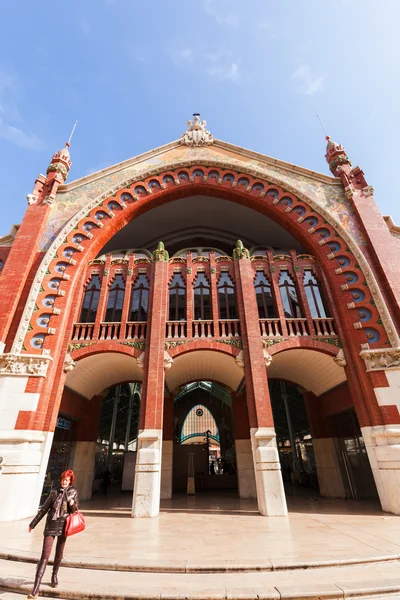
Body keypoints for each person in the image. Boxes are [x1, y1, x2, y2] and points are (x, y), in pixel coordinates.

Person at [27, 469, 79, 599]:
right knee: (44, 556)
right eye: (62, 479)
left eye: (66, 480)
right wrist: (32, 524)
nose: (64, 482)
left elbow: (75, 510)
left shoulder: (73, 492)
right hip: (51, 526)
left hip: (63, 526)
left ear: (70, 481)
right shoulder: (54, 492)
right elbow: (44, 509)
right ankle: (35, 588)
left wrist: (72, 504)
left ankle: (54, 574)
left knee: (59, 553)